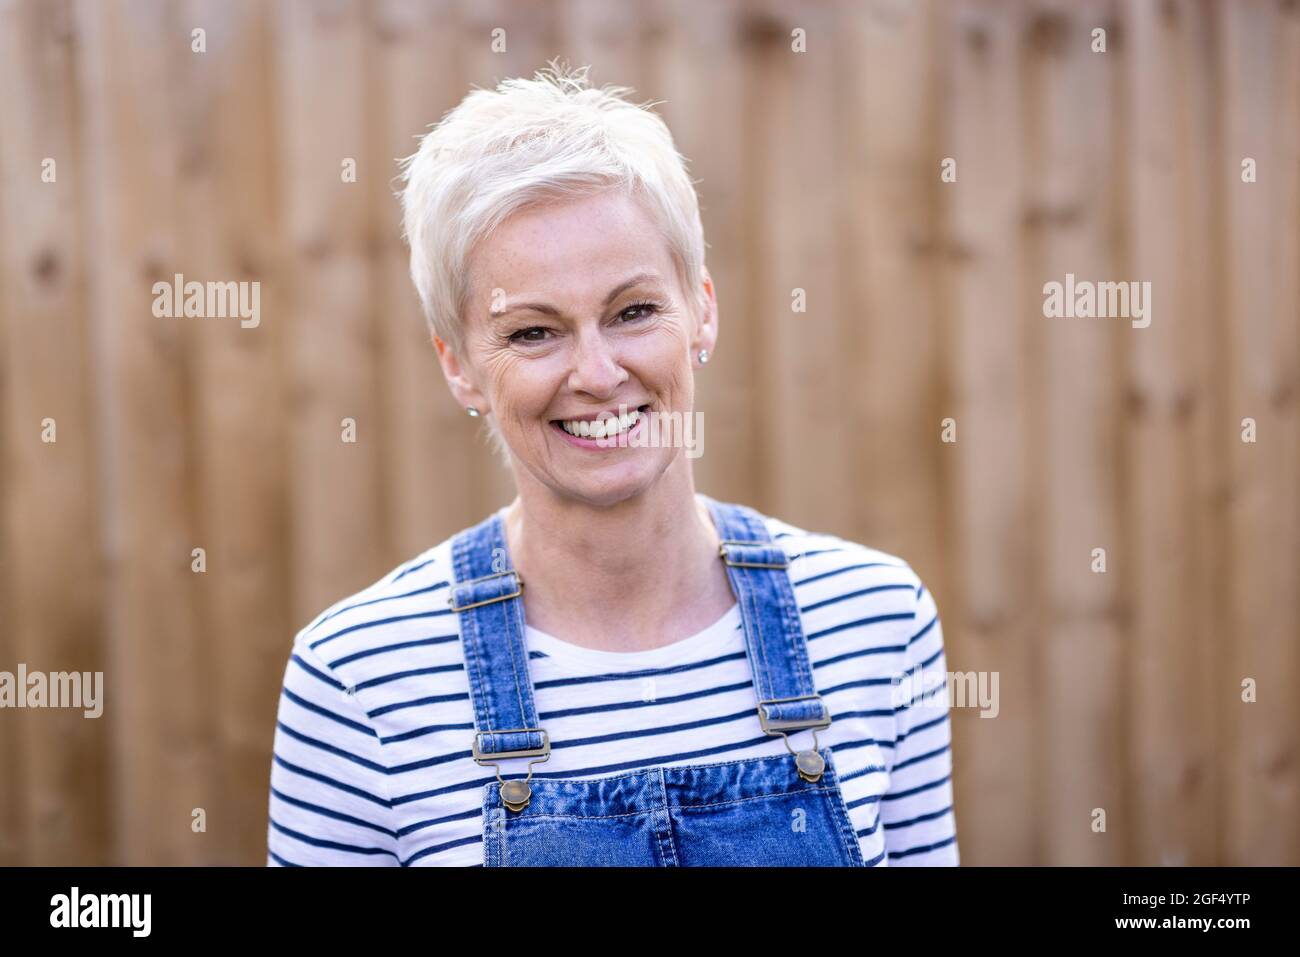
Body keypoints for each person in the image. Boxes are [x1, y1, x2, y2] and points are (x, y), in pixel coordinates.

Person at [266, 61, 958, 867]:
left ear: (702, 309)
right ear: (456, 362)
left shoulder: (876, 621)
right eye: (533, 331)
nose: (597, 374)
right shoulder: (360, 679)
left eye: (632, 311)